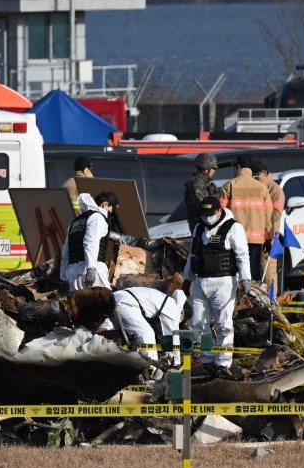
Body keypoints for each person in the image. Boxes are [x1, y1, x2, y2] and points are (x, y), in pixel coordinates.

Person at [183, 196, 250, 379]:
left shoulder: (233, 227)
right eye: (203, 214)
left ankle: (223, 364)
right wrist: (187, 279)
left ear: (219, 211)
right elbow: (192, 255)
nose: (207, 218)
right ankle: (208, 360)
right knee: (197, 323)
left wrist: (246, 279)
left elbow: (242, 255)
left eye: (210, 214)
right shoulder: (199, 228)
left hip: (224, 282)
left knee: (223, 324)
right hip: (201, 281)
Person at [218, 157, 272, 282]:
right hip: (256, 239)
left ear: (238, 167)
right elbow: (268, 215)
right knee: (252, 274)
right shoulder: (262, 188)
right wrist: (268, 237)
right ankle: (250, 298)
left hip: (234, 238)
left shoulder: (229, 185)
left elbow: (220, 214)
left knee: (234, 273)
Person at [112, 278, 186, 366]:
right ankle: (152, 369)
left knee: (109, 334)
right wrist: (175, 364)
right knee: (146, 333)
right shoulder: (173, 308)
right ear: (183, 314)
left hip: (116, 298)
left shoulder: (164, 299)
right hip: (126, 304)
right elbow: (171, 338)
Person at [60, 191, 118, 290]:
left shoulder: (75, 222)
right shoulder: (98, 218)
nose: (111, 213)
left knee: (81, 304)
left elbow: (66, 251)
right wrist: (91, 268)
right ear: (105, 205)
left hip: (73, 273)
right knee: (105, 303)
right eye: (112, 209)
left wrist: (63, 275)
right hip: (92, 270)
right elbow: (90, 242)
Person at [253, 159, 285, 287]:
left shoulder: (275, 190)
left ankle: (271, 301)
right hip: (254, 236)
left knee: (268, 271)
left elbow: (275, 215)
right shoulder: (257, 187)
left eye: (257, 176)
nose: (255, 179)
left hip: (268, 235)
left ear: (265, 173)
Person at [183, 153, 221, 234]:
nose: (214, 171)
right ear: (205, 169)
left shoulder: (206, 183)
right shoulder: (195, 184)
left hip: (207, 223)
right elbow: (205, 203)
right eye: (213, 168)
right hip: (200, 224)